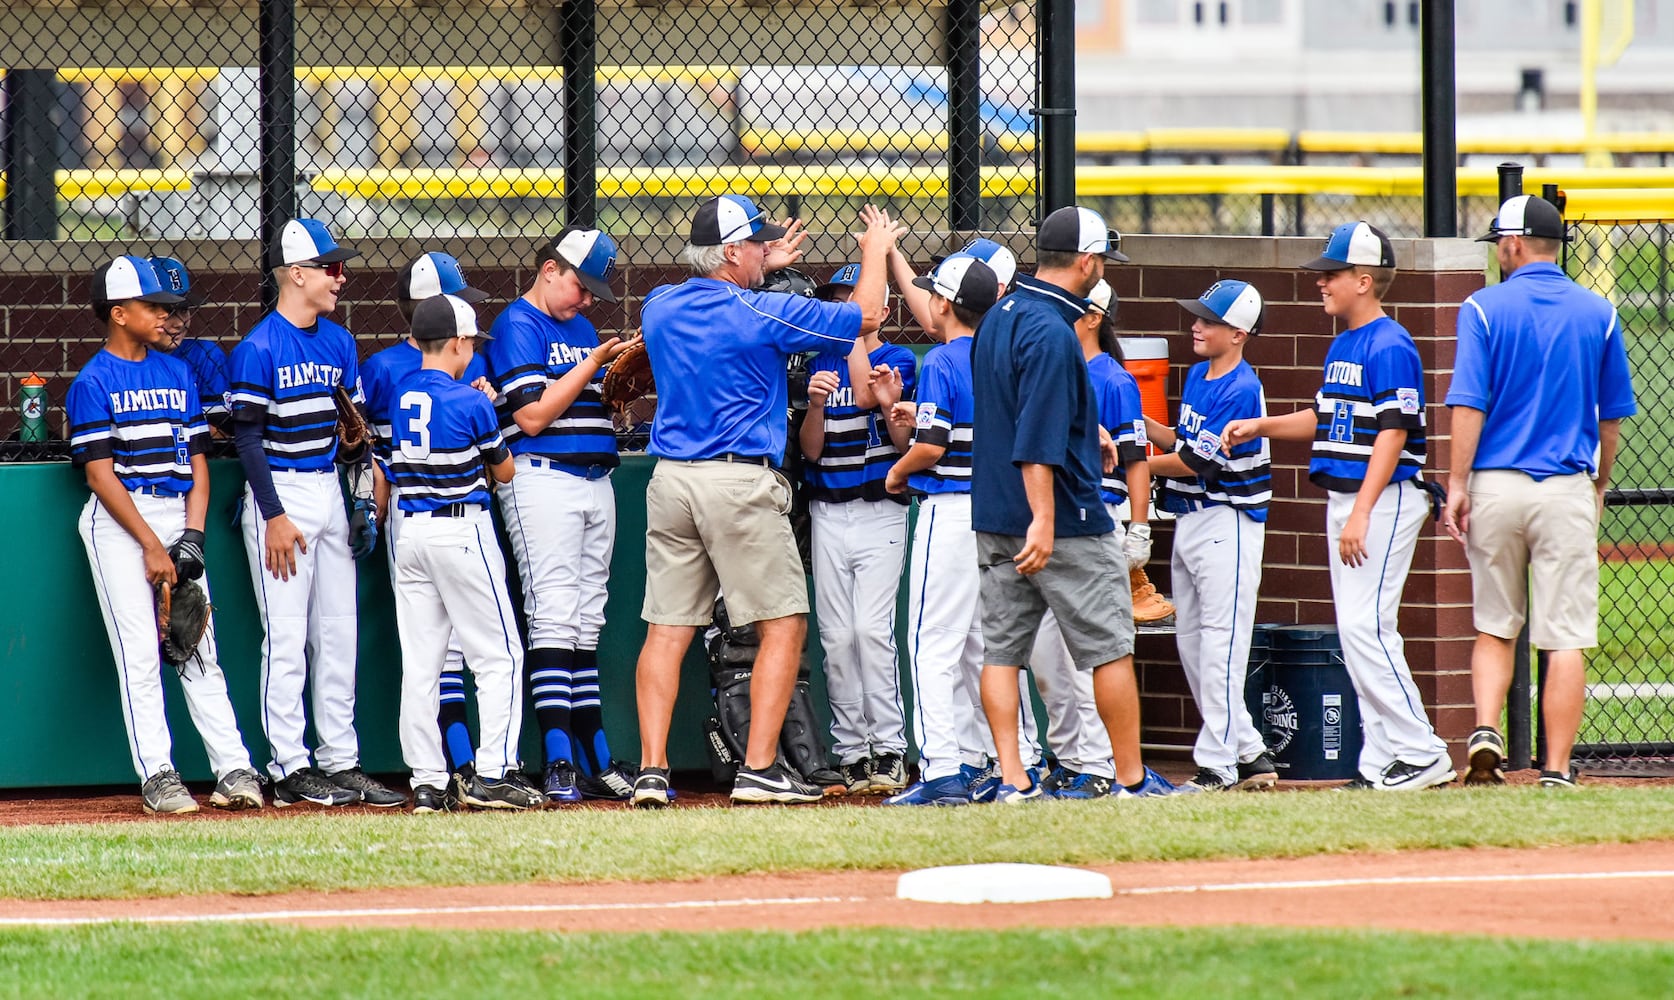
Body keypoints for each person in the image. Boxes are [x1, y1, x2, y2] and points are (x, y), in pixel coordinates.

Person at [629, 196, 899, 808]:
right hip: (736, 484)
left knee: (667, 628)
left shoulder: (660, 306)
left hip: (671, 481)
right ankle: (758, 770)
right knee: (784, 624)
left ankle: (651, 771)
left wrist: (763, 263)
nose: (764, 248)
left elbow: (718, 290)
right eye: (754, 242)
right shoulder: (758, 312)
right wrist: (875, 253)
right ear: (731, 252)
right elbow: (863, 316)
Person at [1224, 221, 1451, 792]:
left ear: (1365, 280)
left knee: (1365, 626)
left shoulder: (1390, 342)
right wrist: (1263, 424)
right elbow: (1326, 419)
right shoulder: (1344, 341)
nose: (1321, 282)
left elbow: (1395, 435)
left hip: (1385, 497)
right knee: (1358, 634)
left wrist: (1361, 512)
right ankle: (1380, 762)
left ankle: (1423, 752)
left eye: (1332, 273)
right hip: (1353, 497)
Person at [969, 205, 1173, 802]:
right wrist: (1046, 519)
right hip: (1060, 521)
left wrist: (1093, 435)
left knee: (1002, 653)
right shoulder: (1055, 329)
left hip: (995, 514)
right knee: (1109, 647)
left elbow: (1017, 412)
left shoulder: (1000, 314)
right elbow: (1034, 436)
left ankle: (1013, 780)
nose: (1103, 267)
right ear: (1085, 262)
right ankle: (1132, 780)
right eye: (1102, 258)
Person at [1442, 194, 1636, 789]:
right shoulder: (1598, 311)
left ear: (1512, 244)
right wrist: (1600, 481)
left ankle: (1485, 728)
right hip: (1566, 487)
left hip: (1497, 484)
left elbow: (1469, 403)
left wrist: (1457, 482)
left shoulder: (1481, 308)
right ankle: (1555, 768)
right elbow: (1611, 418)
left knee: (1495, 625)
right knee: (1565, 636)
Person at [68, 255, 264, 815]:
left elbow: (199, 463)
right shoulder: (93, 380)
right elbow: (100, 474)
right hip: (121, 525)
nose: (166, 314)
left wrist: (192, 536)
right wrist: (151, 545)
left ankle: (232, 768)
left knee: (198, 647)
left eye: (168, 306)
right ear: (119, 312)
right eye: (154, 306)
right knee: (142, 654)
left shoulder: (178, 371)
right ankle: (158, 774)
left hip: (177, 516)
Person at [229, 218, 405, 808]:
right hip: (280, 492)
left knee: (338, 632)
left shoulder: (338, 340)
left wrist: (357, 494)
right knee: (286, 636)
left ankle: (340, 758)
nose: (341, 275)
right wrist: (274, 515)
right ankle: (288, 765)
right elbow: (247, 441)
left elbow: (350, 430)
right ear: (295, 274)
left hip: (328, 489)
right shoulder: (258, 346)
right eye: (329, 267)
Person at [482, 227, 637, 804]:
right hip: (540, 476)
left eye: (594, 291)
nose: (587, 299)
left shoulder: (583, 327)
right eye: (580, 285)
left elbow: (584, 403)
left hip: (596, 479)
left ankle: (595, 754)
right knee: (551, 613)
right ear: (549, 270)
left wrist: (615, 393)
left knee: (585, 618)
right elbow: (533, 416)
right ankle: (558, 759)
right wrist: (595, 361)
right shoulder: (517, 325)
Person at [879, 253, 1039, 806]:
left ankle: (943, 768)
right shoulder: (1008, 353)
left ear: (944, 303)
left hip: (949, 511)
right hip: (999, 514)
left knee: (931, 643)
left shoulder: (944, 360)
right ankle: (1008, 761)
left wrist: (898, 473)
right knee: (986, 643)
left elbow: (931, 447)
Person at [386, 294, 543, 813]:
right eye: (470, 341)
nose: (473, 349)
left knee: (421, 663)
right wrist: (481, 405)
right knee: (499, 656)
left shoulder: (402, 391)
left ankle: (427, 781)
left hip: (411, 535)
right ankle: (494, 773)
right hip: (461, 531)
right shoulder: (473, 401)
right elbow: (504, 471)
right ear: (455, 342)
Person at [360, 252, 492, 800]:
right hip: (423, 510)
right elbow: (373, 450)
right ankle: (465, 767)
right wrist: (374, 505)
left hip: (439, 510)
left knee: (448, 647)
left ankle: (441, 771)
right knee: (448, 649)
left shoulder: (457, 363)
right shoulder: (387, 366)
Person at [1025, 279, 1162, 799]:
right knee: (1046, 659)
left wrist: (1139, 526)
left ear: (1092, 316)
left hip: (1094, 516)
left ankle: (1100, 764)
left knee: (1083, 654)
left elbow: (1136, 460)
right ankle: (1069, 756)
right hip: (1047, 521)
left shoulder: (1114, 379)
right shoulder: (1052, 367)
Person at [1144, 279, 1274, 794]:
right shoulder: (1199, 373)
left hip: (1230, 525)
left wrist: (1133, 462)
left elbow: (1196, 463)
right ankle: (1249, 752)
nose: (1195, 326)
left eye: (1208, 320)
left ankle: (1217, 765)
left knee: (1221, 647)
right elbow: (1183, 441)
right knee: (1193, 645)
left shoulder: (1242, 386)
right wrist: (1137, 426)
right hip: (1192, 522)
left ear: (1238, 334)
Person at [801, 261, 917, 795]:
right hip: (828, 509)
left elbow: (902, 449)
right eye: (839, 299)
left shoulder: (895, 360)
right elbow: (811, 449)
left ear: (881, 308)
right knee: (836, 635)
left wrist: (893, 406)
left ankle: (889, 748)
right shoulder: (817, 362)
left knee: (871, 632)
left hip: (880, 509)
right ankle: (851, 750)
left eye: (858, 298)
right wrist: (817, 405)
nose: (849, 307)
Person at [149, 257, 232, 437]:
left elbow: (219, 433)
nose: (179, 323)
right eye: (168, 312)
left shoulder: (204, 355)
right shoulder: (121, 363)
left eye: (184, 310)